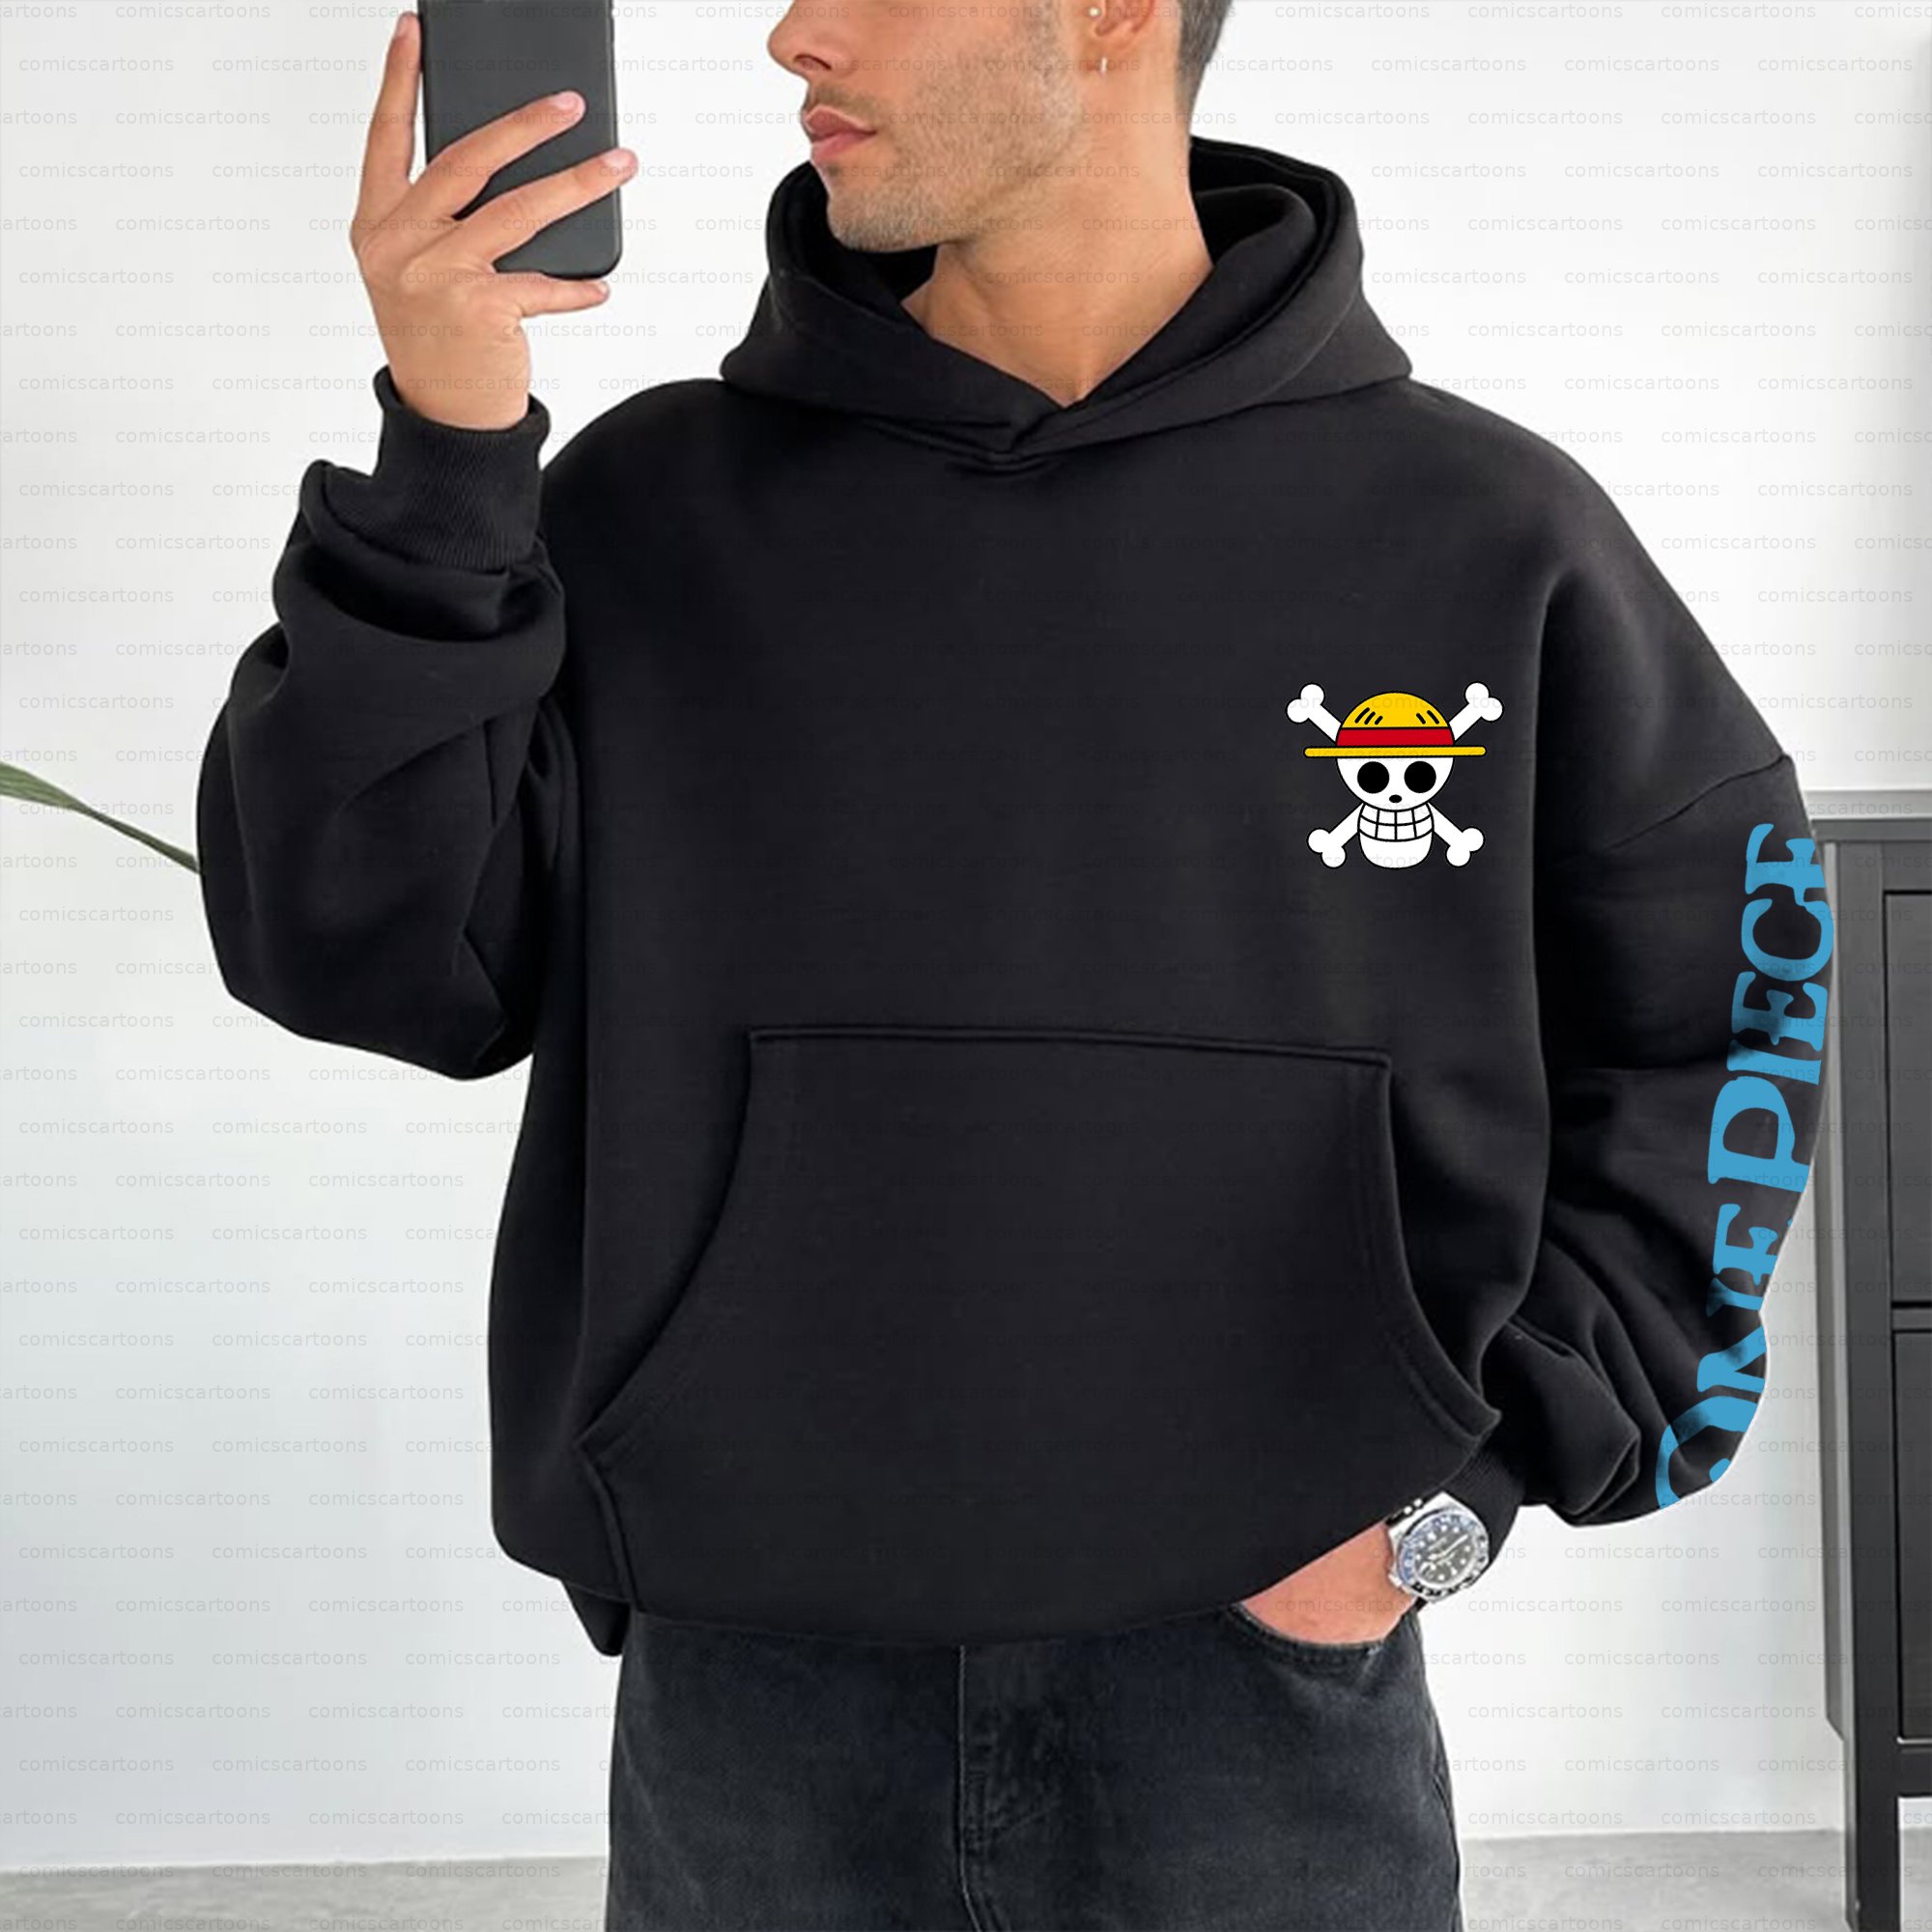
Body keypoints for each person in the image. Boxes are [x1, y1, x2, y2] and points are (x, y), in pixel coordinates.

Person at [193, 0, 1833, 1926]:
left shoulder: (1487, 536)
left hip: (1266, 1692)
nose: (794, 35)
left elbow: (1738, 1010)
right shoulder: (649, 512)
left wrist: (1455, 1503)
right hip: (757, 1681)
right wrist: (449, 449)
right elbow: (363, 954)